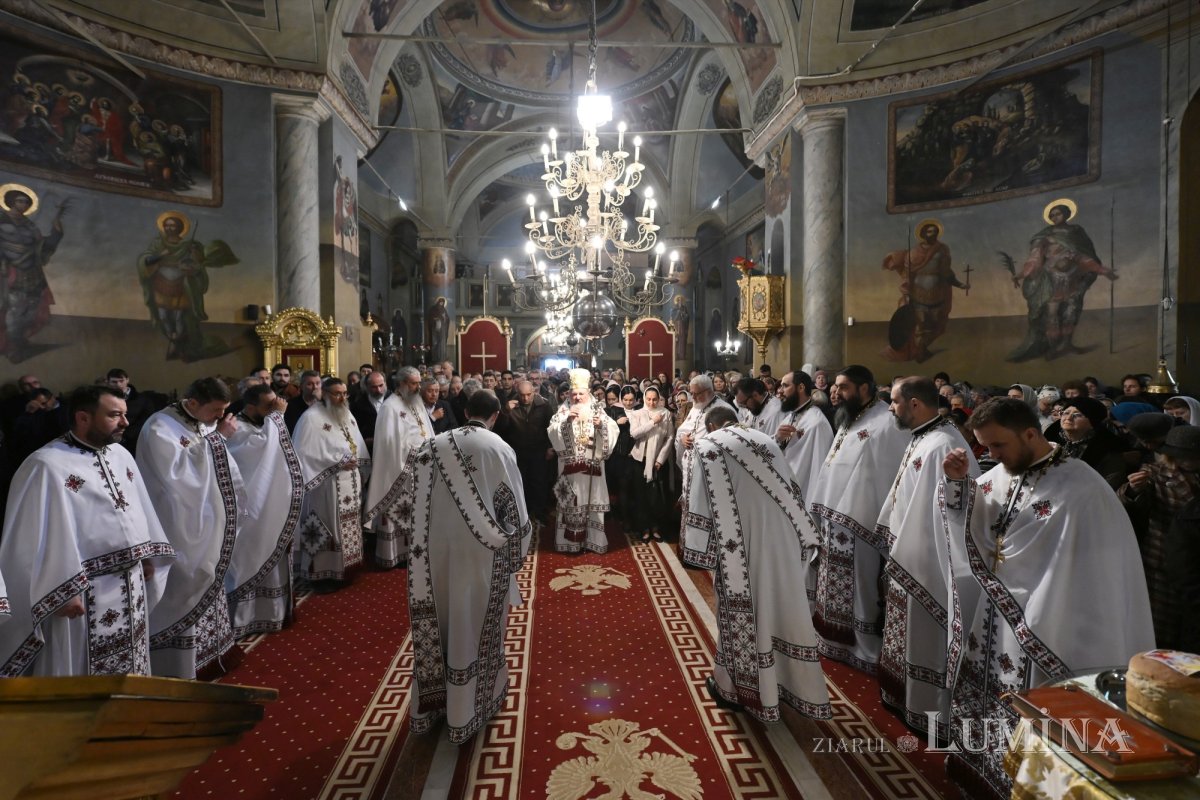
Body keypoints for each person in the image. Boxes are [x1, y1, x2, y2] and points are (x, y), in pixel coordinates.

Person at [941, 398, 1154, 800]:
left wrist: (1034, 614)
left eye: (998, 446)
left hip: (1047, 622)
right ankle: (983, 770)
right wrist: (959, 484)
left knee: (1035, 709)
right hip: (994, 619)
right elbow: (976, 522)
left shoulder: (1082, 489)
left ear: (1030, 434)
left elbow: (1086, 574)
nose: (991, 456)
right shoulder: (1001, 474)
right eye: (984, 447)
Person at [0, 386, 174, 676]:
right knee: (82, 671)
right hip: (81, 593)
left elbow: (137, 509)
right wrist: (56, 589)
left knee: (132, 662)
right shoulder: (46, 465)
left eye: (125, 414)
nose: (125, 423)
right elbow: (31, 538)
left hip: (130, 585)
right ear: (83, 417)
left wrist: (144, 555)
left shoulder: (121, 455)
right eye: (114, 415)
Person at [681, 405, 831, 723]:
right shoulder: (766, 440)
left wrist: (696, 552)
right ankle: (778, 684)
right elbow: (792, 489)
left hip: (742, 548)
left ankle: (736, 689)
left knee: (739, 614)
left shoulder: (708, 446)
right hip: (782, 543)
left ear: (711, 426)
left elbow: (698, 499)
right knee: (777, 611)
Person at [406, 390, 532, 743]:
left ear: (463, 411)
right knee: (475, 626)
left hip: (432, 556)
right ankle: (471, 707)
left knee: (441, 624)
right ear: (494, 416)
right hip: (480, 555)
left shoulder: (430, 446)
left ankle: (431, 705)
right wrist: (516, 556)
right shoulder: (497, 448)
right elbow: (515, 512)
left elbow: (411, 503)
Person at [876, 377, 978, 740]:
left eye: (894, 401)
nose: (890, 407)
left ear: (915, 404)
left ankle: (926, 710)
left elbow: (949, 511)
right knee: (908, 635)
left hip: (928, 562)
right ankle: (904, 698)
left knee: (926, 639)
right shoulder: (924, 436)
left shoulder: (943, 444)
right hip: (910, 553)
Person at [137, 377, 242, 679]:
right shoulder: (159, 428)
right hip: (176, 524)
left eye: (224, 411)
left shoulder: (204, 421)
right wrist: (217, 439)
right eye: (216, 410)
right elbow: (176, 479)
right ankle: (178, 667)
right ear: (193, 403)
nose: (220, 417)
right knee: (185, 582)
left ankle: (212, 653)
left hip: (206, 522)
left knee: (209, 574)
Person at [808, 365, 908, 673]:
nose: (836, 393)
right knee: (831, 584)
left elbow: (889, 474)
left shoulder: (886, 423)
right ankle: (834, 641)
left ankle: (863, 649)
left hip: (861, 522)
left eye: (843, 387)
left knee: (860, 588)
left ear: (864, 388)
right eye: (835, 387)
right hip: (833, 521)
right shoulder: (849, 418)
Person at [224, 383, 303, 638]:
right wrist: (277, 417)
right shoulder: (237, 428)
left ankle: (273, 613)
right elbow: (260, 450)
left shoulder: (263, 424)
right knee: (249, 559)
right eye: (268, 406)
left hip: (271, 508)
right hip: (251, 511)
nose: (275, 409)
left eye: (275, 405)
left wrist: (273, 419)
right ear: (250, 406)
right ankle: (245, 619)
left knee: (273, 554)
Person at [1007, 201, 1117, 361]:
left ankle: (1067, 344)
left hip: (1074, 280)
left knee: (1071, 314)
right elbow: (1035, 257)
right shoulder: (1044, 235)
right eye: (1051, 215)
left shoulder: (1076, 232)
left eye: (1057, 214)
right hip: (1053, 281)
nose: (1054, 217)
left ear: (1066, 214)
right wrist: (1022, 274)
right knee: (1052, 316)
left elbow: (1084, 256)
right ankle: (1052, 348)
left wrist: (1102, 270)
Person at [292, 378, 370, 590]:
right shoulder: (311, 418)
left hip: (350, 482)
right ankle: (323, 574)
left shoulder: (346, 414)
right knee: (328, 527)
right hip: (326, 485)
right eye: (337, 393)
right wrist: (337, 461)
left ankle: (347, 569)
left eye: (345, 393)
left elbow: (357, 444)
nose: (342, 398)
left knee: (349, 525)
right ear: (324, 394)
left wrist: (358, 463)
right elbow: (304, 453)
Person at [136, 210, 238, 361]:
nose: (170, 228)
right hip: (161, 284)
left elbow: (199, 262)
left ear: (179, 227)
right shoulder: (158, 244)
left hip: (180, 284)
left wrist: (194, 253)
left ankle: (176, 342)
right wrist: (161, 255)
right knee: (163, 315)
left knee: (179, 317)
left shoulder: (189, 244)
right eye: (167, 225)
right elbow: (146, 260)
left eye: (173, 226)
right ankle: (172, 339)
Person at [363, 367, 430, 569]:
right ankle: (395, 554)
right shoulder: (390, 407)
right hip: (398, 469)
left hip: (421, 468)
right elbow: (388, 443)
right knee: (399, 511)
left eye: (419, 383)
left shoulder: (416, 402)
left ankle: (415, 551)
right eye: (413, 383)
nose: (418, 387)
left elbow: (426, 431)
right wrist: (414, 452)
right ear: (401, 383)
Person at [547, 368, 619, 554]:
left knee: (592, 503)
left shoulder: (597, 409)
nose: (577, 397)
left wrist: (601, 425)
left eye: (581, 393)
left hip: (592, 469)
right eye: (574, 394)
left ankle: (592, 542)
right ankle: (570, 544)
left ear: (588, 393)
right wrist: (565, 423)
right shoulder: (563, 410)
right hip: (570, 471)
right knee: (571, 502)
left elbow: (613, 429)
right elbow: (552, 432)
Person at [882, 220, 968, 362]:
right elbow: (907, 274)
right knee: (920, 324)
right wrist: (906, 289)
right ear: (922, 234)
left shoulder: (942, 249)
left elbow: (946, 271)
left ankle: (921, 348)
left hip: (937, 294)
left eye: (934, 231)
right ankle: (919, 351)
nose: (932, 234)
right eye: (929, 231)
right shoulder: (913, 252)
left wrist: (959, 284)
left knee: (935, 324)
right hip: (918, 294)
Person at [0, 186, 66, 362]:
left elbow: (41, 247)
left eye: (26, 202)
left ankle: (18, 343)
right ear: (11, 201)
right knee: (13, 310)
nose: (23, 205)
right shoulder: (1, 220)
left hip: (31, 271)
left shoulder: (30, 225)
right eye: (20, 201)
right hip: (8, 271)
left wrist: (56, 233)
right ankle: (11, 347)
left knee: (31, 310)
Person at [674, 374, 734, 514]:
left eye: (696, 394)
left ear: (708, 391)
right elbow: (682, 429)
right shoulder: (696, 407)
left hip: (710, 468)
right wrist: (682, 438)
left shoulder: (724, 410)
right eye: (691, 393)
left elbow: (729, 442)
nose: (692, 397)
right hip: (690, 466)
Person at [774, 370, 833, 506]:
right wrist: (777, 439)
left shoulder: (816, 423)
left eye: (785, 386)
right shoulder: (791, 416)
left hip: (804, 492)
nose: (780, 391)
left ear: (801, 387)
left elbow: (818, 469)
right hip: (786, 486)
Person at [499, 379, 554, 524]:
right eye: (522, 395)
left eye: (528, 394)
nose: (525, 398)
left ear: (534, 392)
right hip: (518, 450)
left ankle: (540, 511)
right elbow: (502, 429)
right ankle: (525, 512)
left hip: (539, 449)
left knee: (539, 482)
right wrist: (505, 412)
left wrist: (550, 447)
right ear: (517, 393)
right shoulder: (510, 405)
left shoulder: (544, 405)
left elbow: (551, 428)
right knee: (521, 482)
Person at [628, 386, 674, 542]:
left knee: (655, 497)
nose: (652, 402)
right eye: (649, 399)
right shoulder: (637, 413)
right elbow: (635, 434)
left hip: (656, 462)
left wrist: (660, 459)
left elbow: (669, 438)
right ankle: (644, 528)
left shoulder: (666, 413)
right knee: (641, 496)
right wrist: (652, 422)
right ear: (644, 398)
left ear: (659, 398)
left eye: (655, 399)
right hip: (639, 460)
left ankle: (655, 528)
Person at [350, 369, 388, 452]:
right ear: (366, 386)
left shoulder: (394, 400)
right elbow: (354, 430)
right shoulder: (357, 405)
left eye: (381, 385)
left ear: (385, 383)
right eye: (374, 387)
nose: (378, 390)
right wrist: (365, 440)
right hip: (368, 450)